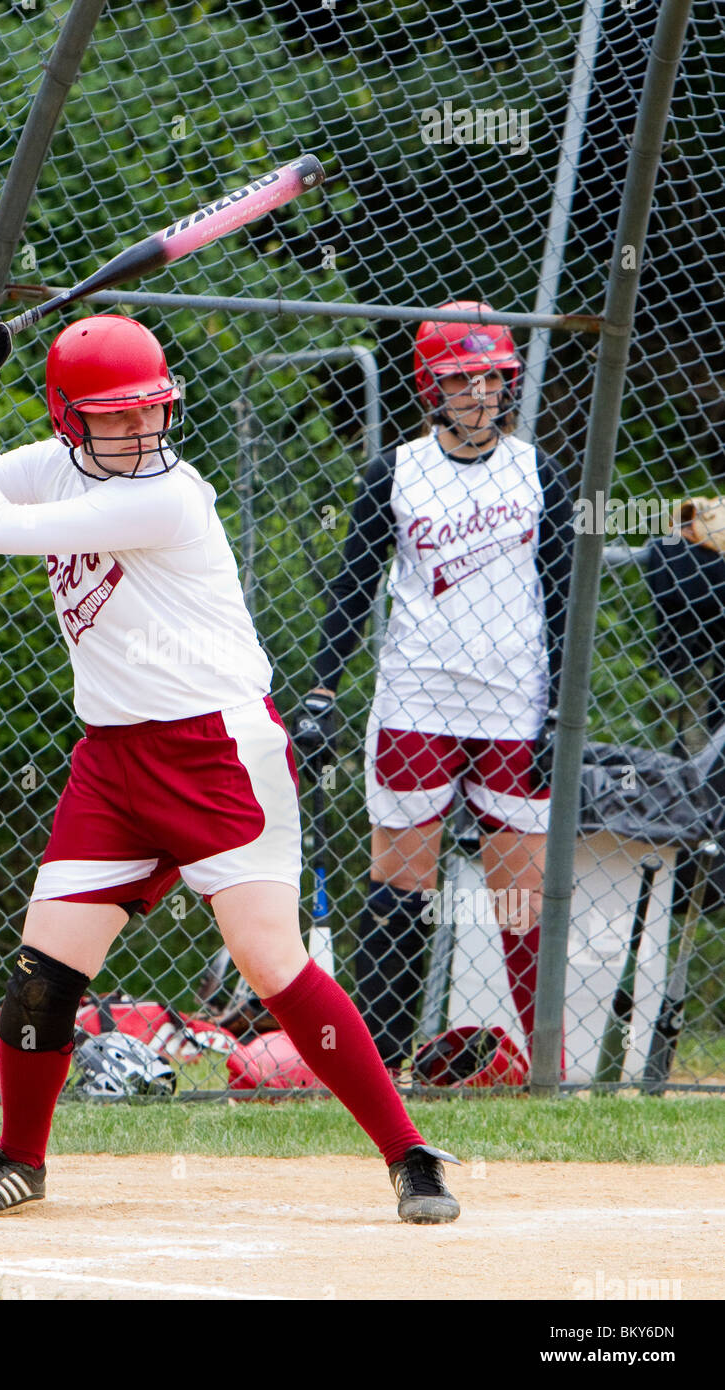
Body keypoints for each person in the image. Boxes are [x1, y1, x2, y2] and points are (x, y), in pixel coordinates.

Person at [0, 311, 461, 1223]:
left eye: (148, 412)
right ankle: (18, 1158)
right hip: (112, 759)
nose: (137, 432)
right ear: (68, 418)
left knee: (271, 959)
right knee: (44, 970)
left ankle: (410, 1153)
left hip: (218, 749)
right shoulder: (50, 463)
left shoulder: (171, 494)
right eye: (111, 417)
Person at [294, 301, 574, 1075]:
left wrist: (560, 712)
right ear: (431, 385)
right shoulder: (397, 470)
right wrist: (323, 689)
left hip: (516, 703)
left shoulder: (538, 470)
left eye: (493, 378)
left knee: (522, 895)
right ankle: (378, 1069)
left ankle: (547, 1072)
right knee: (402, 884)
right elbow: (353, 586)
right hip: (418, 697)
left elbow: (563, 594)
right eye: (461, 379)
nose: (480, 394)